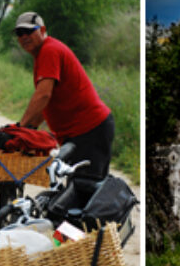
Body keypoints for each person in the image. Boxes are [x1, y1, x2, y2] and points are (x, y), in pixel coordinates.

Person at [14, 12, 113, 181]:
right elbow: (46, 102)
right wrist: (28, 128)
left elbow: (43, 95)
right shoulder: (43, 53)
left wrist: (20, 129)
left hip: (89, 130)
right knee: (78, 189)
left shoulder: (49, 50)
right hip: (79, 133)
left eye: (29, 31)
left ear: (43, 30)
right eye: (19, 33)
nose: (24, 37)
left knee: (85, 191)